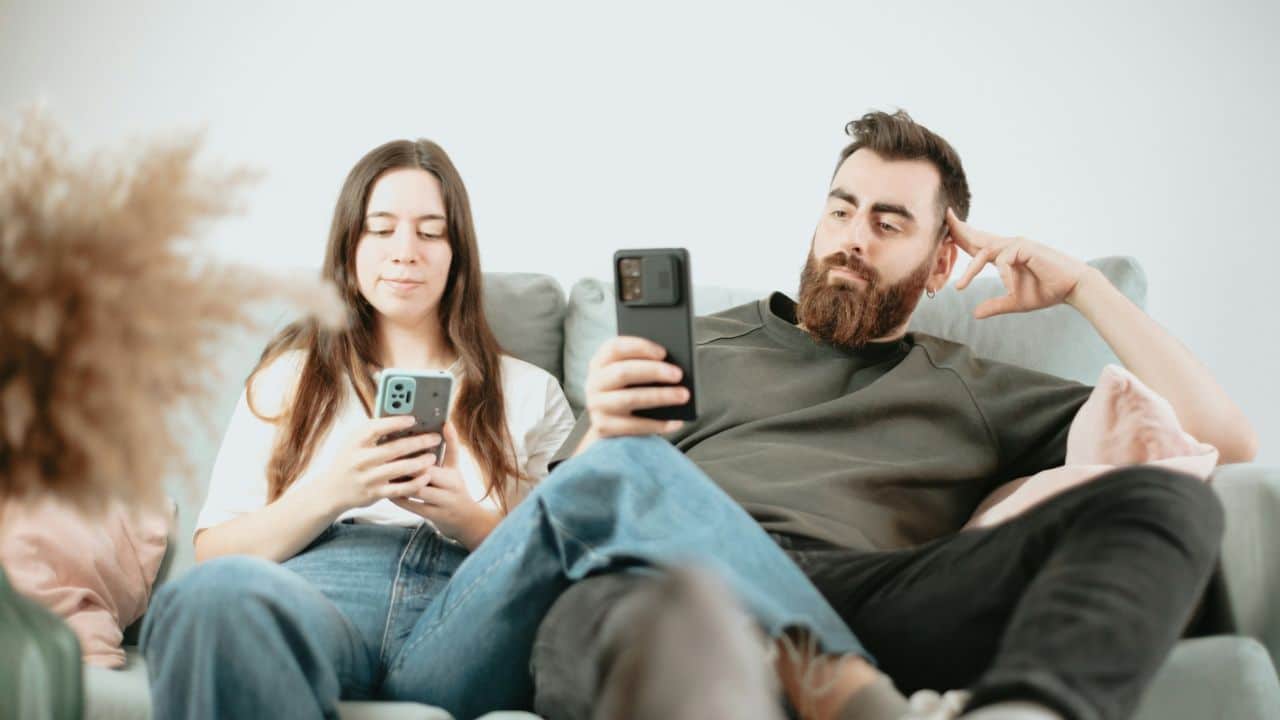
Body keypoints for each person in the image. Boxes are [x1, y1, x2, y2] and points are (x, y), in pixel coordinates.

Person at [532, 110, 1255, 720]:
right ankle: (780, 665)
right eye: (841, 210)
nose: (853, 237)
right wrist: (607, 429)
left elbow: (1222, 441)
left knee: (1164, 502)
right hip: (680, 579)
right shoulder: (695, 346)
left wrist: (1087, 288)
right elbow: (553, 529)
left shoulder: (970, 388)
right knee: (624, 608)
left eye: (888, 222)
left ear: (941, 265)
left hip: (870, 594)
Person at [140, 138, 870, 720]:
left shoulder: (530, 391)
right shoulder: (287, 376)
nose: (406, 251)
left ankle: (854, 688)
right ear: (350, 246)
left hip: (463, 617)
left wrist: (468, 515)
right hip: (317, 599)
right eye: (383, 228)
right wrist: (334, 489)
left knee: (623, 462)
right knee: (207, 599)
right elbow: (213, 557)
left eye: (432, 232)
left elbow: (555, 553)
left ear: (458, 256)